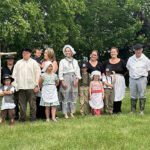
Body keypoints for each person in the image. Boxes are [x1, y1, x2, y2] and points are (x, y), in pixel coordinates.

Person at [12, 48, 41, 122]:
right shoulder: (18, 63)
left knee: (32, 105)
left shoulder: (34, 63)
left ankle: (33, 119)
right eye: (23, 53)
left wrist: (37, 85)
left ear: (30, 54)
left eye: (26, 53)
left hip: (31, 87)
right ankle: (22, 119)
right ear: (22, 54)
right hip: (21, 87)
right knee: (22, 105)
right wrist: (15, 85)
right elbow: (14, 75)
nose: (25, 54)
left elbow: (38, 75)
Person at [126, 44, 150, 114]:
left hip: (142, 79)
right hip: (132, 79)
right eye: (136, 50)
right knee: (133, 94)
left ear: (142, 50)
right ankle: (133, 110)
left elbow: (149, 70)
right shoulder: (130, 59)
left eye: (139, 49)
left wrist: (143, 76)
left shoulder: (146, 59)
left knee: (142, 94)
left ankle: (141, 111)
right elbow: (128, 68)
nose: (138, 51)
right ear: (134, 50)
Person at [59, 45, 81, 119]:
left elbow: (77, 70)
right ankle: (65, 113)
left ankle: (72, 112)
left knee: (73, 95)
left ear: (71, 52)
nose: (67, 52)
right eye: (66, 51)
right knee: (65, 95)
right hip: (66, 77)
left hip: (74, 77)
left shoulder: (75, 61)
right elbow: (60, 72)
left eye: (69, 51)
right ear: (65, 52)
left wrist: (77, 79)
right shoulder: (62, 61)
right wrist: (62, 81)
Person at [103, 47, 127, 114]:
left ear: (117, 52)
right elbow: (103, 70)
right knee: (111, 94)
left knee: (118, 94)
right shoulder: (106, 62)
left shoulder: (122, 61)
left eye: (114, 51)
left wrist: (119, 77)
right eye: (111, 52)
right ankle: (111, 110)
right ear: (110, 53)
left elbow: (126, 70)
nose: (113, 53)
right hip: (109, 80)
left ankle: (118, 110)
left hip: (119, 79)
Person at [1, 55, 19, 120]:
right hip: (7, 87)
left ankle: (15, 115)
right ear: (6, 60)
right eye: (8, 59)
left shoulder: (16, 67)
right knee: (6, 101)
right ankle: (7, 116)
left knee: (15, 101)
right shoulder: (3, 68)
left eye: (11, 59)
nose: (10, 60)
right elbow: (2, 78)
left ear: (13, 60)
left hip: (15, 86)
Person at [33, 48, 44, 119]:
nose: (39, 54)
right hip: (35, 80)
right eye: (37, 53)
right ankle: (37, 114)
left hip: (40, 79)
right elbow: (42, 67)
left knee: (39, 98)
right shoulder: (34, 60)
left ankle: (39, 113)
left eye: (40, 53)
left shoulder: (39, 60)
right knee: (36, 98)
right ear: (34, 53)